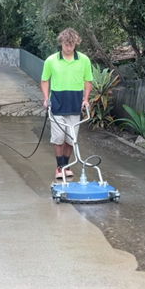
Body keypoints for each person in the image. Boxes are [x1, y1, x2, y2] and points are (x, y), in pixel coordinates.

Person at [41, 28, 93, 180]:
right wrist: (46, 98)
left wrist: (86, 99)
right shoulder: (51, 60)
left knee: (71, 139)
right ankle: (59, 167)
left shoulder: (84, 60)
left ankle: (66, 165)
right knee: (58, 138)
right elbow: (44, 80)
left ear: (76, 44)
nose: (69, 47)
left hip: (75, 105)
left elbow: (88, 81)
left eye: (71, 44)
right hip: (57, 104)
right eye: (66, 44)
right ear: (61, 43)